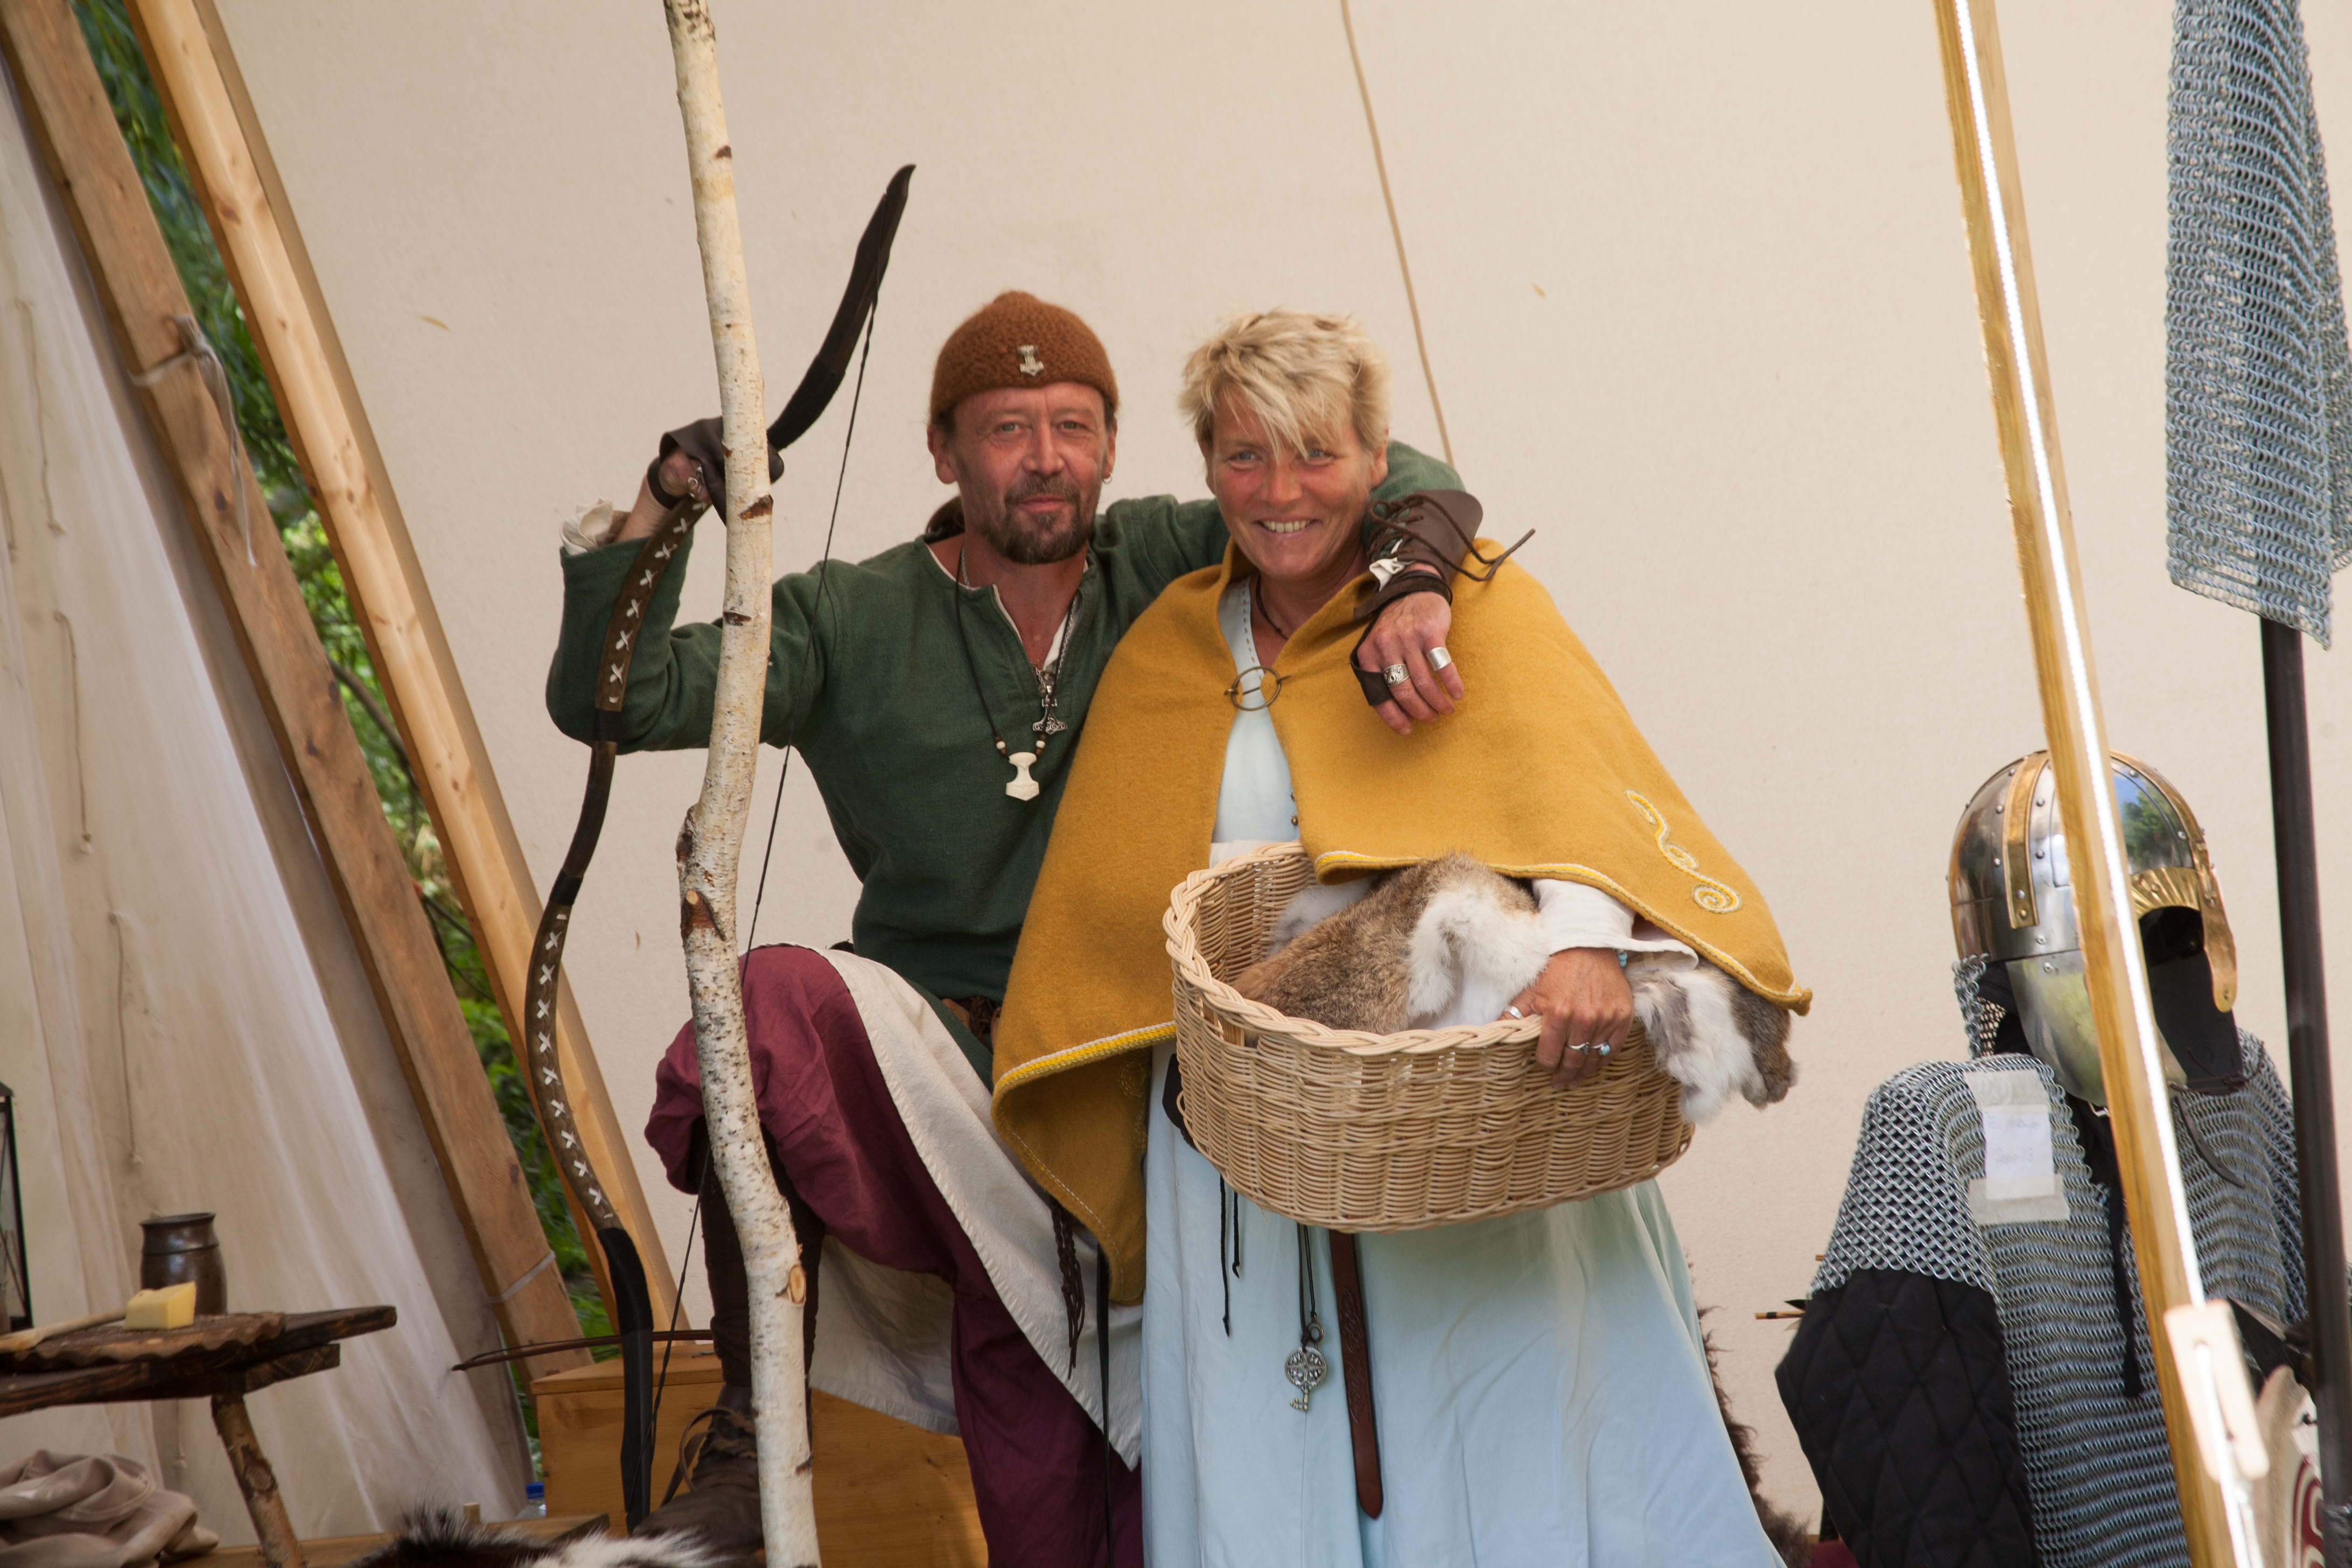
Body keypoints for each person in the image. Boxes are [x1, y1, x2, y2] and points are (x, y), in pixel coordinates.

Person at [545, 290, 1473, 1565]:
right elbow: (615, 698)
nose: (1045, 458)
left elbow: (1379, 473)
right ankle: (752, 1432)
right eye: (1005, 428)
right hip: (944, 1077)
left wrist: (1414, 579)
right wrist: (667, 503)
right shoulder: (842, 618)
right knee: (764, 1006)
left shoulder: (1168, 555)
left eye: (1074, 426)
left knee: (1086, 1509)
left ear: (1112, 445)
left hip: (1129, 1088)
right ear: (943, 450)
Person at [991, 309, 1811, 1565]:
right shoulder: (1169, 646)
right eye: (1246, 456)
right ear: (1208, 468)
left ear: (1381, 461)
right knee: (1280, 1455)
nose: (1282, 492)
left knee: (1513, 1421)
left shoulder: (1472, 606)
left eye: (1317, 453)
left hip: (1477, 1115)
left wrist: (1582, 947)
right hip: (1250, 1130)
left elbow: (1575, 798)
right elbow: (1116, 909)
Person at [1776, 753, 2309, 1568]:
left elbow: (2319, 1362)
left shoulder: (2239, 1096)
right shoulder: (1945, 1124)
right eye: (2127, 941)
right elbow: (1907, 1444)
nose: (2152, 972)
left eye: (2173, 937)